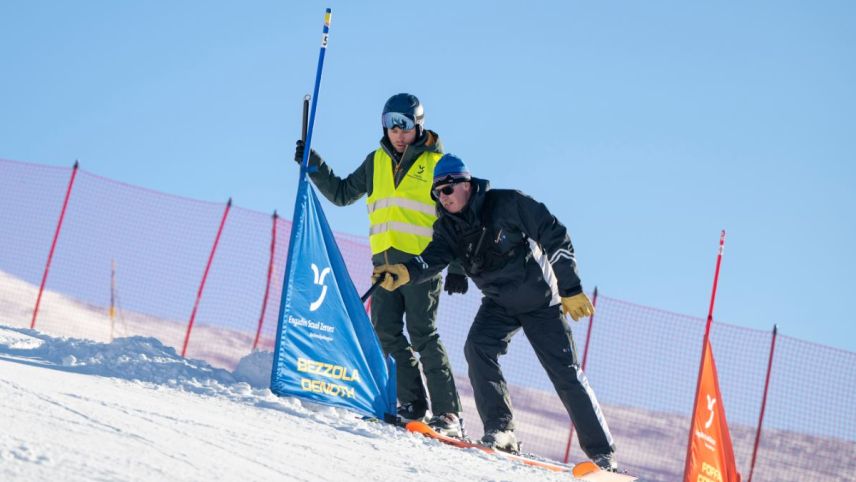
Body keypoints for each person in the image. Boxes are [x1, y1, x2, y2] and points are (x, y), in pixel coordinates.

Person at [371, 154, 618, 471]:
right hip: (499, 302)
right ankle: (501, 430)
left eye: (447, 190)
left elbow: (554, 233)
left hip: (540, 300)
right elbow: (432, 259)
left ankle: (602, 454)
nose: (442, 198)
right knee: (477, 348)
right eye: (437, 193)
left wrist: (569, 287)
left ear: (466, 184)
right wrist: (403, 273)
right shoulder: (448, 228)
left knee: (565, 372)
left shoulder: (507, 204)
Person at [294, 93, 464, 437]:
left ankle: (448, 414)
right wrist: (312, 163)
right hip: (384, 266)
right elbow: (342, 193)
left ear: (418, 126)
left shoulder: (436, 164)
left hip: (420, 266)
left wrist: (457, 266)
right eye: (391, 125)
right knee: (385, 333)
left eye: (404, 126)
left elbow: (456, 216)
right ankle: (412, 403)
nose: (398, 133)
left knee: (422, 335)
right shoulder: (375, 162)